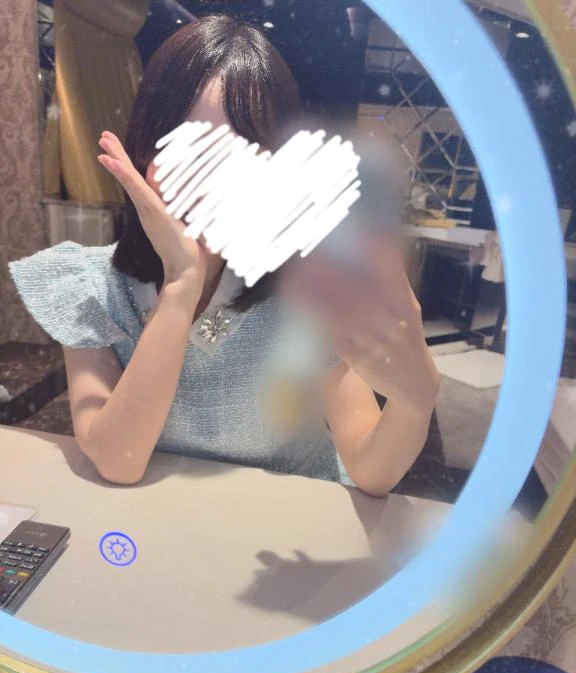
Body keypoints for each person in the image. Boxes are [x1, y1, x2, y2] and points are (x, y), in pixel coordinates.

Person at [9, 15, 439, 496]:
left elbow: (370, 469)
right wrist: (181, 286)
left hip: (283, 527)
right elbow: (117, 459)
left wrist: (415, 402)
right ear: (142, 149)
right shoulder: (92, 288)